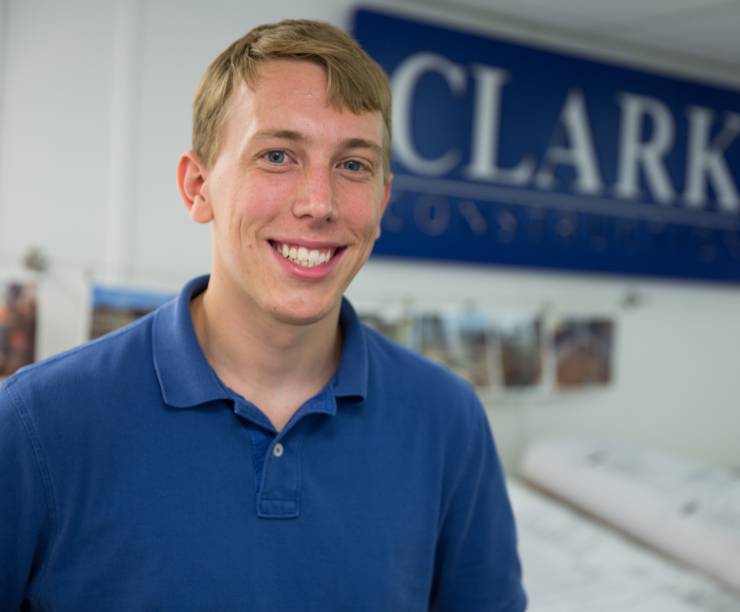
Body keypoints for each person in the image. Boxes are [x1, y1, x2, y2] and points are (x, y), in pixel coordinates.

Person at [0, 19, 526, 611]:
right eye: (278, 156)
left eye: (353, 165)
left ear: (381, 202)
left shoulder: (448, 420)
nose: (319, 204)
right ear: (198, 187)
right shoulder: (36, 422)